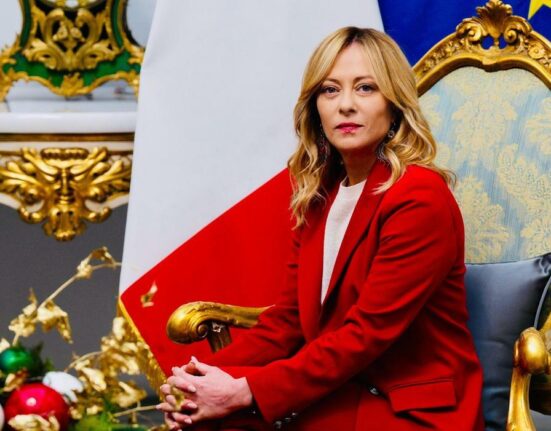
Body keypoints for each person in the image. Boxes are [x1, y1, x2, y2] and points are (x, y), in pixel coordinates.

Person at [156, 26, 484, 431]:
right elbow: (289, 321)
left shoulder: (418, 197)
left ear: (395, 103)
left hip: (407, 409)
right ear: (315, 108)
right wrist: (196, 381)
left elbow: (365, 336)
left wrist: (244, 391)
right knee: (200, 415)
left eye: (365, 88)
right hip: (340, 393)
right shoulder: (321, 195)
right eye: (330, 90)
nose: (346, 105)